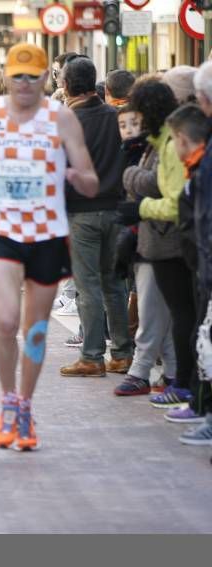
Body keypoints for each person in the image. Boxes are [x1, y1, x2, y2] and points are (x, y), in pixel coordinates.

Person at [0, 43, 99, 451]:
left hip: (47, 233)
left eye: (32, 75)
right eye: (16, 75)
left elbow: (89, 176)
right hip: (0, 228)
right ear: (7, 75)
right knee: (5, 322)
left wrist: (80, 180)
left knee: (34, 328)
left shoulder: (62, 118)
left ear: (45, 78)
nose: (23, 83)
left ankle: (25, 406)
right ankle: (6, 401)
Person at [120, 78, 202, 424]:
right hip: (167, 238)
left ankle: (183, 384)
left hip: (169, 239)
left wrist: (138, 206)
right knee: (177, 315)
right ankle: (176, 378)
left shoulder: (169, 144)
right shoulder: (161, 141)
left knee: (180, 314)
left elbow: (172, 201)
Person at [57, 55, 133, 378]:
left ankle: (91, 356)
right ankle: (122, 354)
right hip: (115, 210)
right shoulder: (116, 117)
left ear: (64, 85)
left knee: (87, 286)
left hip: (82, 214)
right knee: (114, 284)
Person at [113, 102, 176, 397]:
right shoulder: (148, 145)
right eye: (123, 125)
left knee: (152, 308)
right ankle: (174, 372)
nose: (129, 130)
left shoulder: (164, 144)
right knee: (159, 309)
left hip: (161, 236)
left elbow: (156, 185)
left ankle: (143, 370)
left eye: (134, 123)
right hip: (148, 237)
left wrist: (130, 177)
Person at [168, 103, 212, 439]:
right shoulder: (197, 167)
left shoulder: (204, 167)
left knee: (204, 339)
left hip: (204, 266)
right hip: (200, 263)